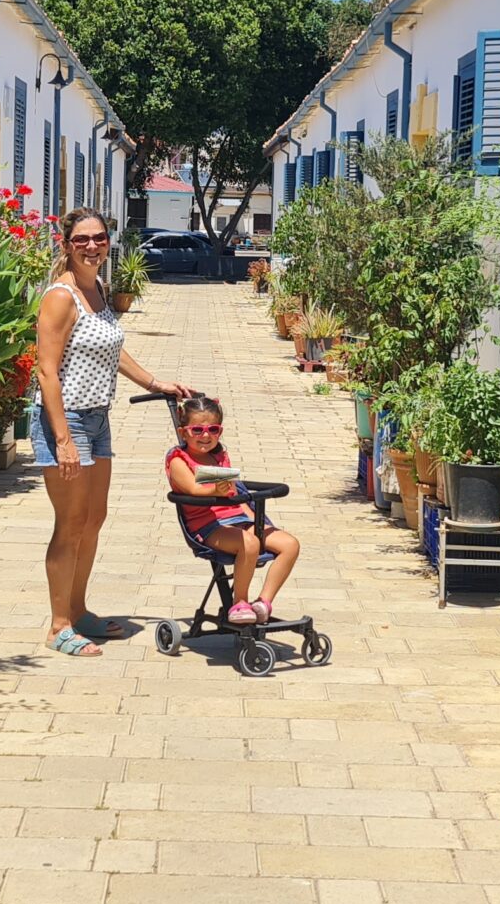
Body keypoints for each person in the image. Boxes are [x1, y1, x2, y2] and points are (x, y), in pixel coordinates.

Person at [34, 207, 189, 657]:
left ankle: (79, 612)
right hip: (67, 420)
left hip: (98, 418)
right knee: (69, 524)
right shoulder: (61, 296)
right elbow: (46, 371)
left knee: (93, 519)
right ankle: (58, 625)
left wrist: (153, 382)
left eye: (98, 238)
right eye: (81, 239)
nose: (91, 246)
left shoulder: (97, 290)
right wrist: (62, 439)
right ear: (66, 245)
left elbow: (110, 350)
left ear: (107, 241)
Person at [162, 394, 300, 624]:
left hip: (237, 517)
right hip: (207, 526)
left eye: (213, 430)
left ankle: (262, 603)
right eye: (197, 430)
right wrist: (218, 489)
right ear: (183, 431)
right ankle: (239, 603)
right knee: (250, 542)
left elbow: (235, 495)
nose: (205, 436)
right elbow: (193, 490)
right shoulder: (179, 460)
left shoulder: (219, 456)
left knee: (289, 544)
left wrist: (256, 519)